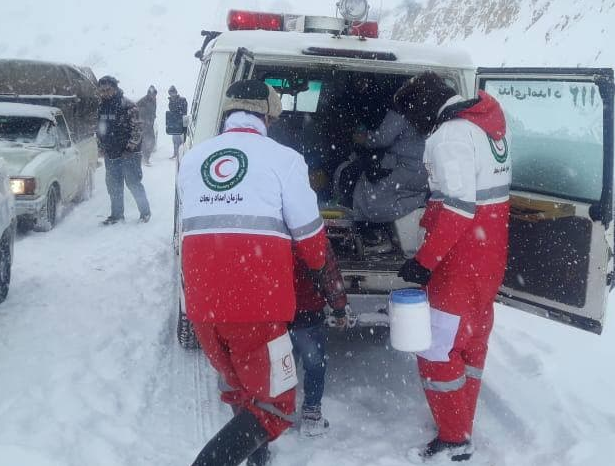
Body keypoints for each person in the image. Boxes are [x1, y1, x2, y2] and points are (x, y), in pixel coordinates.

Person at [179, 80, 328, 466]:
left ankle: (258, 460)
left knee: (242, 391)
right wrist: (317, 269)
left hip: (202, 306)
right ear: (268, 116)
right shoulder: (285, 160)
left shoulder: (194, 158)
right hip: (258, 307)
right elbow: (311, 240)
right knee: (275, 406)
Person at [392, 72, 512, 463]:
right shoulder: (487, 127)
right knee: (472, 345)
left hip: (458, 263)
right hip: (488, 259)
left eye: (412, 116)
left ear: (425, 107)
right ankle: (460, 423)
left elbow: (458, 207)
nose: (413, 126)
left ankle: (455, 441)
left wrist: (423, 263)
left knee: (437, 350)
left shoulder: (449, 137)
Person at [290, 245, 351, 438]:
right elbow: (330, 277)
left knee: (281, 368)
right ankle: (311, 416)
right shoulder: (314, 237)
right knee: (315, 366)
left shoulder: (270, 232)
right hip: (309, 315)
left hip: (278, 315)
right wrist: (339, 308)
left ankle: (278, 413)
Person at [348, 107, 429, 244]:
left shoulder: (402, 111)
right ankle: (394, 227)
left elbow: (382, 139)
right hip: (426, 171)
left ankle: (369, 226)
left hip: (406, 168)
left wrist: (364, 138)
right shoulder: (429, 111)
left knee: (367, 190)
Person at [96, 76, 151, 225]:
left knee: (133, 183)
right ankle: (117, 215)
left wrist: (130, 147)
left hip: (129, 154)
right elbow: (100, 129)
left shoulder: (127, 105)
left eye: (107, 90)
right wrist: (101, 146)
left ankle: (145, 213)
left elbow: (138, 128)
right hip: (111, 152)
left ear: (115, 88)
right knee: (114, 185)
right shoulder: (101, 106)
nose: (105, 93)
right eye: (101, 91)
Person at [137, 85, 158, 165]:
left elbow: (152, 111)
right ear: (149, 93)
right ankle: (145, 159)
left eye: (155, 94)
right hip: (144, 125)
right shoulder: (143, 101)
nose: (154, 96)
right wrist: (144, 119)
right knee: (145, 142)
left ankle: (145, 158)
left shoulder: (154, 101)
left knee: (151, 141)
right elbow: (138, 110)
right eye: (152, 94)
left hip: (150, 125)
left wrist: (153, 116)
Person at [167, 86, 189, 159]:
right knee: (175, 139)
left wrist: (180, 118)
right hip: (175, 123)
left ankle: (182, 155)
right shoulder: (170, 101)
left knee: (182, 140)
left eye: (173, 93)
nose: (171, 95)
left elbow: (184, 111)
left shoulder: (182, 100)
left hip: (182, 123)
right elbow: (171, 111)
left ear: (176, 92)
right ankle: (175, 154)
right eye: (170, 93)